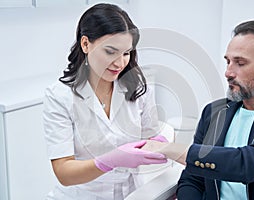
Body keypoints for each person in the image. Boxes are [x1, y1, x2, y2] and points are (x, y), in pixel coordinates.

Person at [143, 20, 254, 199]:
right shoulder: (214, 113)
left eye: (240, 63)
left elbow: (249, 164)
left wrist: (169, 149)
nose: (228, 72)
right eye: (228, 62)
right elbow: (193, 179)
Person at [43, 3, 168, 200]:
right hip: (80, 195)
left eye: (126, 53)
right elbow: (64, 172)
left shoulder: (137, 88)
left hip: (131, 193)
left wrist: (159, 145)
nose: (120, 63)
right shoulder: (60, 96)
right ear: (85, 44)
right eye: (110, 51)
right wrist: (109, 161)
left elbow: (151, 137)